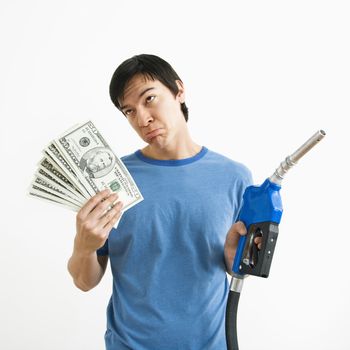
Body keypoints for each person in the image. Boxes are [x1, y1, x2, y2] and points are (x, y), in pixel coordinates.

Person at [68, 54, 254, 350]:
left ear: (179, 91)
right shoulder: (112, 181)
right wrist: (83, 246)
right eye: (128, 111)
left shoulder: (234, 177)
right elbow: (84, 281)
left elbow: (237, 268)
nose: (142, 119)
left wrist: (235, 262)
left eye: (149, 99)